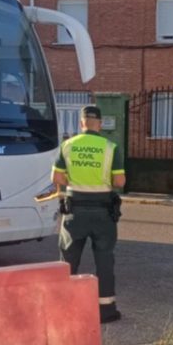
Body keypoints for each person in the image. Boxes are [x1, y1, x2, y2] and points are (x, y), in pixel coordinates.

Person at [52, 105, 126, 323]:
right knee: (104, 258)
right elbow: (119, 182)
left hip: (74, 209)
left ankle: (63, 308)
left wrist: (75, 181)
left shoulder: (67, 145)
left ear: (81, 123)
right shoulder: (110, 147)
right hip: (103, 210)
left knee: (68, 259)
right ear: (100, 124)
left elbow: (57, 179)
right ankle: (106, 309)